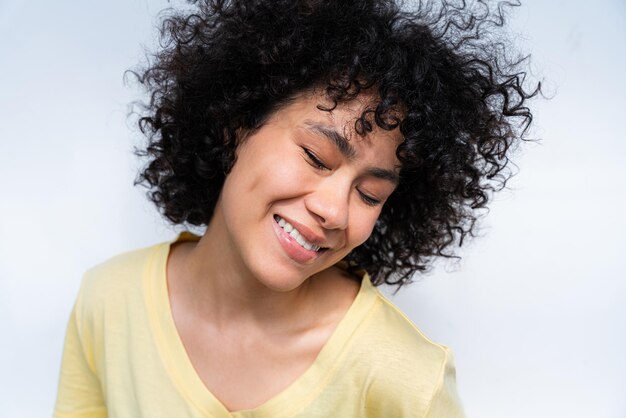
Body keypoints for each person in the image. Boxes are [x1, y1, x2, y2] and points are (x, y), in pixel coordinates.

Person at [54, 0, 539, 416]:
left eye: (370, 194)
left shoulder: (405, 377)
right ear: (235, 123)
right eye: (315, 156)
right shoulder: (108, 301)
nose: (335, 210)